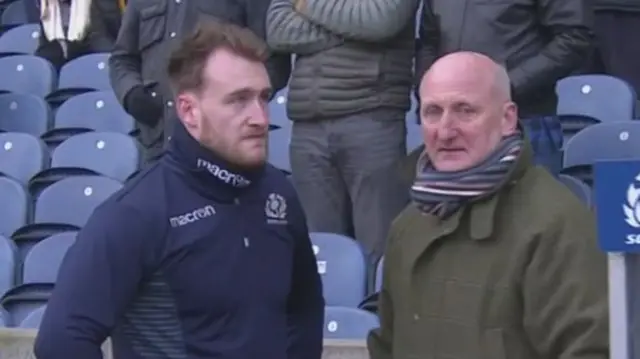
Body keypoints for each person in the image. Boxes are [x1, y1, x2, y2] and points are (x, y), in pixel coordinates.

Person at [34, 20, 324, 359]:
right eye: (239, 100)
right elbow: (61, 341)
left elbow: (305, 308)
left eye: (263, 97)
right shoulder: (137, 213)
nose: (260, 118)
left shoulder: (280, 196)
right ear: (188, 110)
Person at [367, 52, 608, 359]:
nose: (445, 130)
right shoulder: (409, 225)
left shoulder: (555, 224)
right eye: (432, 112)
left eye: (465, 110)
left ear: (507, 118)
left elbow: (591, 349)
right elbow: (386, 346)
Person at [265, 0, 417, 262]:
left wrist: (306, 5)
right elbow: (278, 29)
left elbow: (381, 21)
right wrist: (352, 30)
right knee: (321, 254)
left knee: (380, 252)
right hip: (307, 126)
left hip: (373, 119)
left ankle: (378, 305)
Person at [416, 0, 594, 175]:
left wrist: (505, 87)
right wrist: (428, 93)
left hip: (524, 122)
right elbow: (429, 40)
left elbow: (574, 38)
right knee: (452, 202)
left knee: (529, 202)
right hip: (449, 125)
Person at [110, 0, 291, 162]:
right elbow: (122, 59)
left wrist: (239, 100)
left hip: (224, 148)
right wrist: (132, 93)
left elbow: (275, 62)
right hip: (158, 142)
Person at [36, 0, 93, 71]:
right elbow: (44, 48)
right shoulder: (47, 7)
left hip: (85, 60)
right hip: (56, 62)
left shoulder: (92, 5)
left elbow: (96, 42)